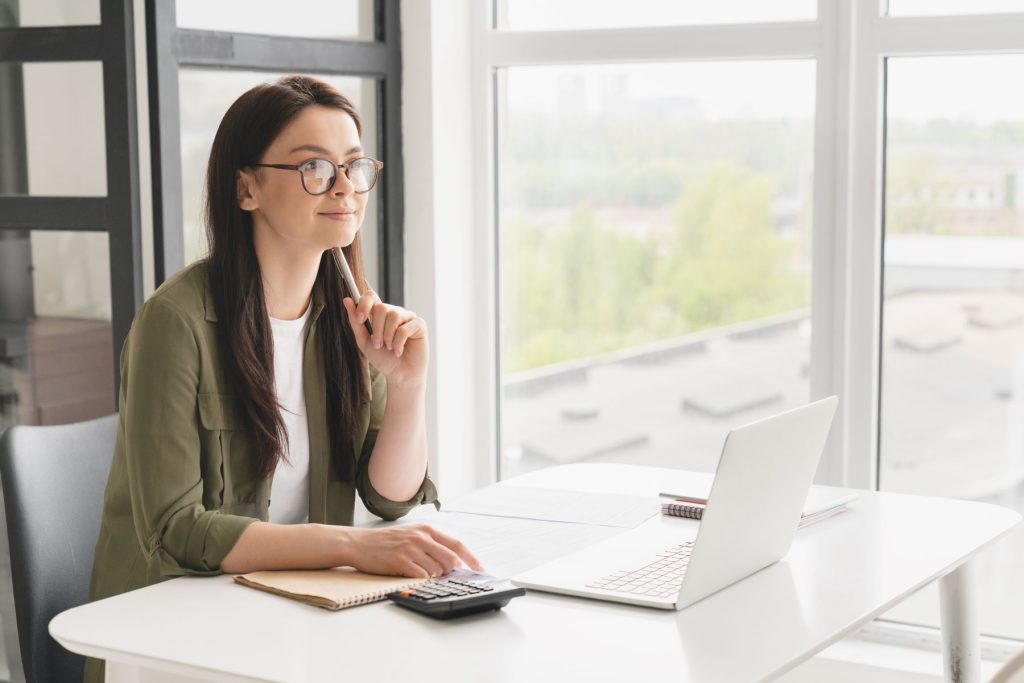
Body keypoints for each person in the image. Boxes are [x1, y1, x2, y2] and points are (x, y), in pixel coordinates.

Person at [84, 75, 481, 682]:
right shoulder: (176, 321)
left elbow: (389, 498)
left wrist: (406, 385)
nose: (344, 188)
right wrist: (352, 547)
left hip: (293, 620)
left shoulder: (351, 317)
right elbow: (175, 531)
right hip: (173, 640)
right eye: (314, 168)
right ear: (246, 188)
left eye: (354, 167)